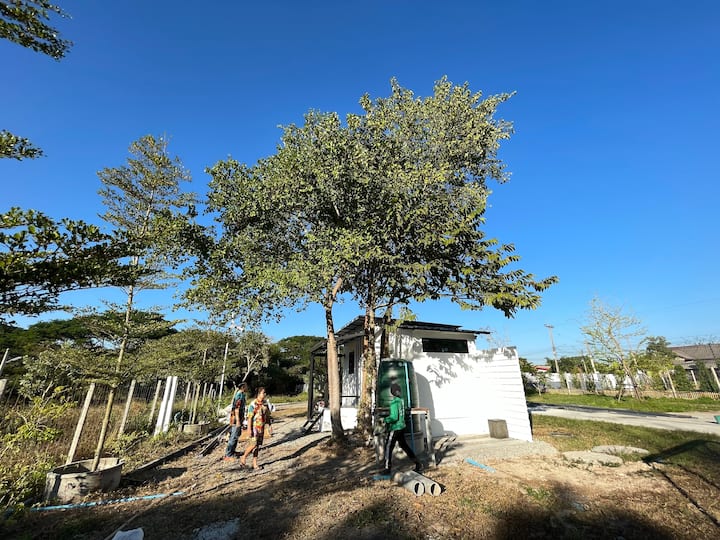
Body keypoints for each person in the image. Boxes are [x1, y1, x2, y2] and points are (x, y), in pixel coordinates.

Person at [382, 383, 422, 475]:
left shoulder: (393, 403)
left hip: (395, 428)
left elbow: (394, 417)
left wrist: (385, 420)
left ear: (392, 392)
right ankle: (417, 463)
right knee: (404, 446)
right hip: (402, 426)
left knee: (388, 447)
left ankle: (387, 468)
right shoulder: (401, 401)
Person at [241, 386, 273, 470]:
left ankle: (255, 464)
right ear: (258, 394)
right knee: (253, 444)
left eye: (265, 392)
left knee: (257, 446)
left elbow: (267, 415)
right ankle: (244, 457)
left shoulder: (265, 403)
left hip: (261, 427)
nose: (264, 394)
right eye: (263, 393)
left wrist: (269, 425)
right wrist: (249, 429)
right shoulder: (253, 404)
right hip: (254, 427)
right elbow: (250, 417)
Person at [224, 383, 248, 461]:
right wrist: (237, 420)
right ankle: (228, 454)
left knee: (237, 435)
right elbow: (236, 408)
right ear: (243, 387)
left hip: (239, 417)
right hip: (235, 418)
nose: (247, 388)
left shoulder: (242, 395)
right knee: (233, 436)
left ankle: (232, 451)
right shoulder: (239, 395)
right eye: (246, 387)